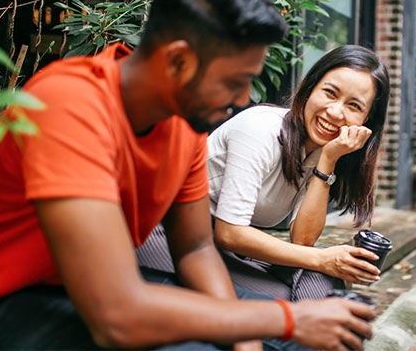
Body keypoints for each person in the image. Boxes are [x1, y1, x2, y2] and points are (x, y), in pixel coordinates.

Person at [0, 0, 375, 351]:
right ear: (178, 61)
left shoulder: (183, 124)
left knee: (316, 339)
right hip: (13, 297)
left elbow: (196, 249)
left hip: (114, 285)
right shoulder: (70, 105)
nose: (242, 100)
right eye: (234, 82)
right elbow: (115, 317)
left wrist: (246, 340)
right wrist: (284, 319)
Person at [138, 45, 391, 301]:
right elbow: (230, 233)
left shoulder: (325, 150)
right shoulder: (259, 129)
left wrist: (327, 161)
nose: (335, 112)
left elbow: (302, 241)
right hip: (167, 234)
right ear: (310, 87)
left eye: (354, 106)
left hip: (217, 249)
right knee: (288, 301)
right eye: (329, 93)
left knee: (322, 285)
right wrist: (324, 258)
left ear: (366, 121)